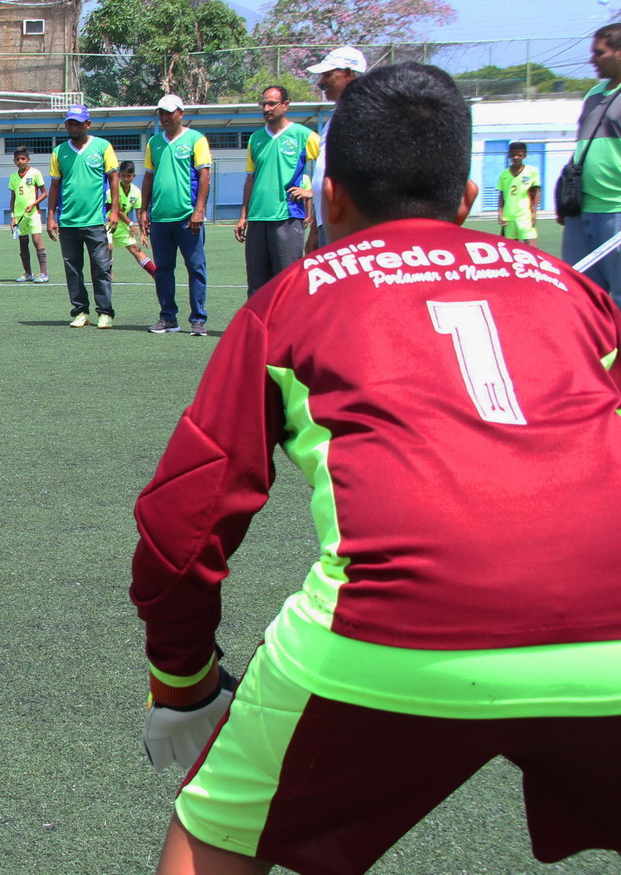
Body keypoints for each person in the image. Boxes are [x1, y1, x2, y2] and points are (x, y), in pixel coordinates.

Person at [131, 62, 621, 875]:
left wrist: (180, 680)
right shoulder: (577, 293)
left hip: (385, 630)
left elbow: (182, 527)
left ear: (330, 199)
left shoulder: (289, 303)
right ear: (468, 201)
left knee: (211, 841)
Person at [233, 86, 320, 296]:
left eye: (272, 103)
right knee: (256, 283)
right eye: (263, 103)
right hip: (257, 218)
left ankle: (289, 329)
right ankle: (260, 328)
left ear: (286, 105)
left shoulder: (303, 135)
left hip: (287, 217)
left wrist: (312, 192)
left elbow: (332, 166)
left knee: (287, 280)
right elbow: (250, 179)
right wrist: (243, 216)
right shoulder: (256, 139)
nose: (267, 108)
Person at [558, 23, 621, 304]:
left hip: (615, 209)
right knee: (581, 294)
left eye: (599, 53)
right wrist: (565, 195)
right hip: (580, 210)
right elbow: (582, 146)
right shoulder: (593, 94)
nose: (591, 60)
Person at [140, 94, 211, 336]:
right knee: (163, 270)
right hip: (160, 218)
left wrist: (199, 209)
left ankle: (198, 319)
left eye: (169, 112)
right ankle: (168, 318)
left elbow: (204, 175)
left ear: (181, 113)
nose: (165, 117)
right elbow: (149, 177)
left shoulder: (196, 140)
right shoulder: (154, 143)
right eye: (161, 112)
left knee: (195, 267)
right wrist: (143, 210)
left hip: (187, 218)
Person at [46, 104, 120, 329]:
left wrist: (114, 210)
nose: (73, 126)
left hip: (95, 221)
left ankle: (105, 312)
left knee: (100, 267)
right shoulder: (59, 151)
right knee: (73, 269)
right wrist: (50, 217)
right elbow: (55, 186)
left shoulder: (102, 147)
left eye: (78, 122)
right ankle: (80, 312)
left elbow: (114, 180)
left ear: (88, 124)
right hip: (68, 221)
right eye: (70, 122)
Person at [302, 46, 367, 249]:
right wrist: (315, 229)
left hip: (349, 225)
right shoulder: (337, 116)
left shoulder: (367, 115)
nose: (321, 82)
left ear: (348, 74)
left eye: (328, 75)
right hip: (328, 223)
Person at [109, 162, 158, 280]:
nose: (126, 178)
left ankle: (155, 274)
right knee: (108, 247)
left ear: (134, 176)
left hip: (122, 225)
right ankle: (107, 272)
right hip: (108, 223)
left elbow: (140, 212)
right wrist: (130, 224)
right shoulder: (113, 188)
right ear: (119, 175)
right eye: (123, 175)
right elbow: (117, 210)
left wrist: (143, 232)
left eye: (129, 176)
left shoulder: (136, 192)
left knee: (136, 248)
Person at [10, 149, 50, 282]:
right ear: (14, 161)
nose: (20, 161)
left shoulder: (35, 173)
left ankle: (43, 273)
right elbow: (13, 198)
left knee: (37, 240)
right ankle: (28, 273)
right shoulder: (13, 177)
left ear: (28, 160)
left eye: (23, 159)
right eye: (17, 159)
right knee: (23, 243)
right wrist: (13, 217)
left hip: (33, 214)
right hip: (19, 215)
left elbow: (45, 193)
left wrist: (33, 204)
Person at [496, 141, 542, 243]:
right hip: (509, 216)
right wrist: (500, 212)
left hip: (525, 215)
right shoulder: (504, 174)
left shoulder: (532, 171)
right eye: (513, 155)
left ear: (524, 156)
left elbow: (537, 192)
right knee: (512, 248)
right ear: (509, 155)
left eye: (519, 155)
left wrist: (534, 212)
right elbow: (501, 194)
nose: (516, 157)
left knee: (531, 247)